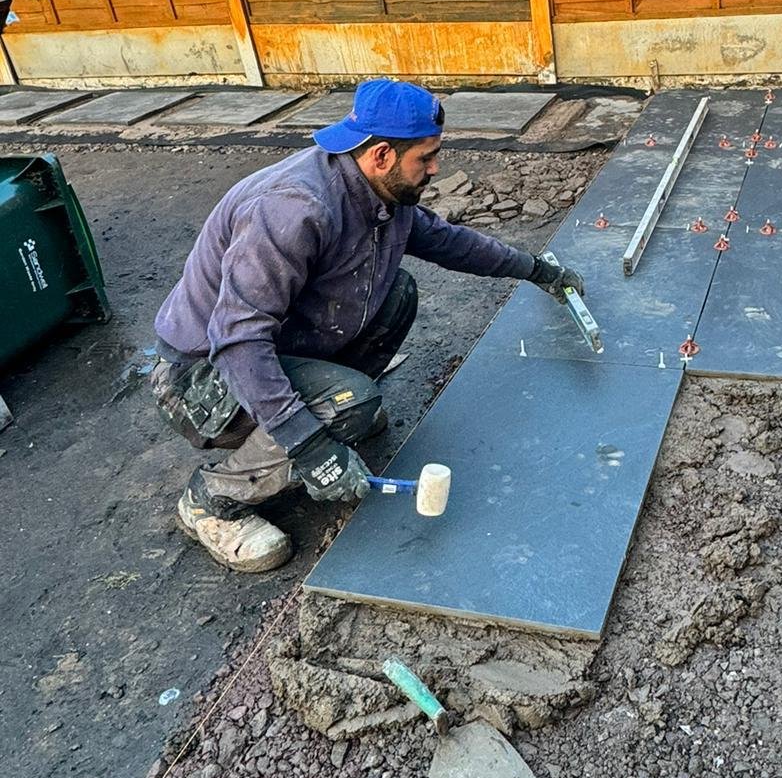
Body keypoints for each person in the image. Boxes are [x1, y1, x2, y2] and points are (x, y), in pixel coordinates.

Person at [152, 79, 584, 574]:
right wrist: (311, 446)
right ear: (381, 155)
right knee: (350, 404)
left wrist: (536, 270)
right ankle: (213, 499)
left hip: (267, 346)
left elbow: (450, 242)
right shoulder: (293, 209)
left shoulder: (380, 194)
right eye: (427, 157)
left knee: (397, 293)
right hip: (200, 379)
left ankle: (329, 410)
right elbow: (237, 340)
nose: (436, 168)